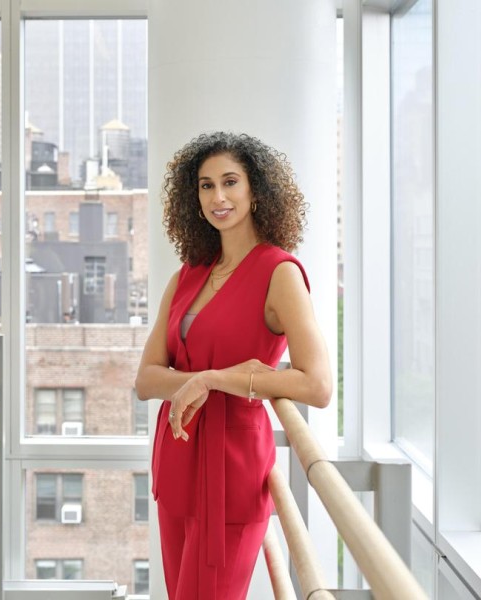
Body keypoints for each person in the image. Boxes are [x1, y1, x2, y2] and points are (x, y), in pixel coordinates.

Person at [135, 131, 331, 599]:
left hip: (230, 468)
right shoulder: (189, 272)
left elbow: (318, 385)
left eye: (230, 182)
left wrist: (211, 379)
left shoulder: (280, 273)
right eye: (205, 186)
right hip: (177, 460)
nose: (218, 197)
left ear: (255, 190)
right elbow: (146, 379)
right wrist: (199, 383)